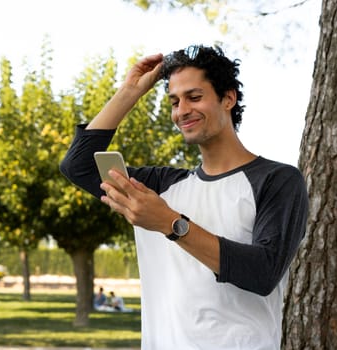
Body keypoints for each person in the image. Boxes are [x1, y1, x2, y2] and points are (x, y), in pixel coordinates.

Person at [60, 44, 308, 350]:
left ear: (228, 98)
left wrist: (170, 223)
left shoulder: (276, 180)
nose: (182, 111)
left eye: (194, 97)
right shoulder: (162, 186)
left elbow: (263, 273)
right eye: (174, 102)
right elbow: (78, 165)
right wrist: (130, 92)